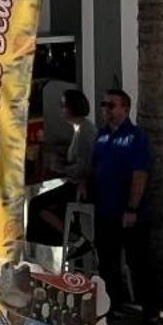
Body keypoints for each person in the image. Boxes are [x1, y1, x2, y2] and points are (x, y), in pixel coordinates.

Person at [90, 88, 160, 324]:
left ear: (125, 109)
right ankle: (113, 306)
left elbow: (139, 174)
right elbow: (95, 167)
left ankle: (150, 311)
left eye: (111, 105)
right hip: (104, 209)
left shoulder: (135, 137)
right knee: (108, 261)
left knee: (138, 261)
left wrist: (132, 208)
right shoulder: (101, 136)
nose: (106, 110)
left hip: (128, 212)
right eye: (104, 105)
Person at [30, 89, 95, 240]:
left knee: (37, 205)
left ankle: (72, 238)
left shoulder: (86, 131)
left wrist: (62, 169)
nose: (62, 110)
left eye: (64, 106)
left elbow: (84, 165)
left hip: (79, 186)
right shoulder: (79, 129)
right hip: (74, 182)